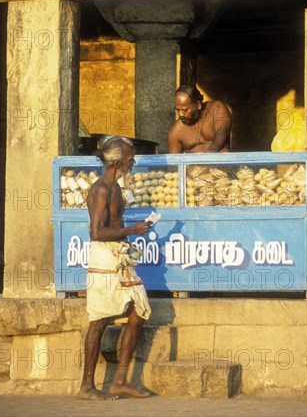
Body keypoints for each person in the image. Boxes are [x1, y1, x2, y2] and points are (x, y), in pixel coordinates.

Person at [78, 136, 151, 400]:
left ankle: (120, 380)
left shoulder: (114, 187)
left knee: (139, 310)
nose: (133, 160)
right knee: (98, 321)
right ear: (118, 159)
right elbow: (97, 231)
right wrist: (133, 229)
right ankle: (87, 386)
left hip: (118, 257)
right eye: (130, 156)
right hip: (104, 259)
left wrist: (131, 231)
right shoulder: (102, 190)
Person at [168, 85, 232, 153]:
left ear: (198, 105)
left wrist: (211, 152)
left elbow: (223, 131)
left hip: (220, 162)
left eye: (185, 110)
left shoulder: (216, 109)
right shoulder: (175, 132)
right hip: (192, 163)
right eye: (178, 110)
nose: (180, 114)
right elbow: (173, 161)